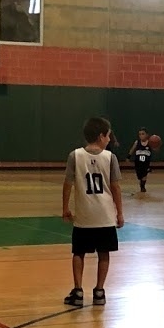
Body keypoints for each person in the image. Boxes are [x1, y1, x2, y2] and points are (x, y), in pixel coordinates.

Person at [61, 116, 124, 307]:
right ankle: (99, 292)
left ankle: (78, 291)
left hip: (84, 216)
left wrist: (65, 208)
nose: (109, 139)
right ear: (100, 136)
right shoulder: (110, 157)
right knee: (104, 254)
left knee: (78, 253)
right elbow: (115, 187)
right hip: (104, 215)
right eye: (108, 136)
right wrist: (120, 212)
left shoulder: (75, 155)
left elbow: (67, 184)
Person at [128, 128, 153, 193]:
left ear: (147, 135)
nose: (141, 135)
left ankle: (142, 187)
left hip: (146, 163)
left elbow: (155, 148)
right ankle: (141, 183)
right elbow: (132, 149)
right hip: (138, 162)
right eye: (140, 134)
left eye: (143, 134)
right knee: (139, 176)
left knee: (144, 174)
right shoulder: (137, 142)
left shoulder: (150, 142)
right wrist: (128, 157)